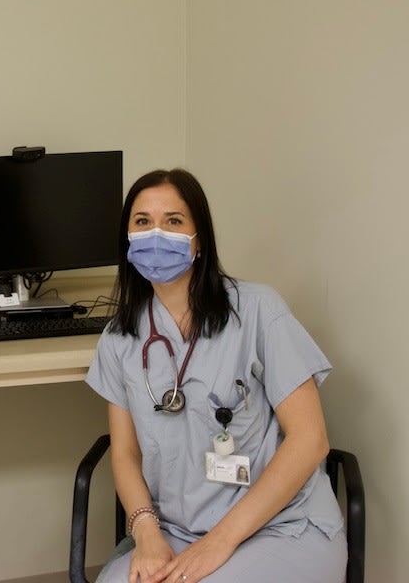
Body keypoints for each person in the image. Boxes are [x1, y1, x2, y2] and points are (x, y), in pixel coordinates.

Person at [85, 169, 346, 583]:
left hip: (281, 527)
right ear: (128, 240)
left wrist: (220, 542)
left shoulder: (260, 311)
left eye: (173, 221)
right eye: (142, 222)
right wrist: (147, 532)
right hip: (175, 532)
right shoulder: (120, 338)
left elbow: (310, 440)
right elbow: (125, 454)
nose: (157, 234)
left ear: (199, 239)